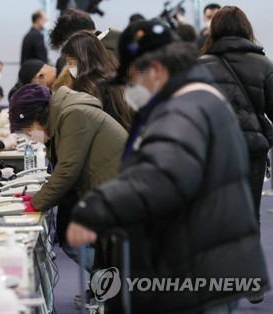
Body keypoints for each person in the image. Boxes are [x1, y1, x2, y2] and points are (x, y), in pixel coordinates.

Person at [66, 20, 269, 313]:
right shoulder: (192, 96)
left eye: (133, 75)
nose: (132, 85)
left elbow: (165, 178)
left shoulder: (183, 109)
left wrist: (96, 208)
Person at [9, 83, 128, 271]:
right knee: (110, 254)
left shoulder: (73, 114)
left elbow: (67, 169)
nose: (30, 137)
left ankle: (117, 294)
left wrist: (35, 204)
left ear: (37, 117)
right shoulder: (66, 114)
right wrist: (37, 198)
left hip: (119, 189)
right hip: (109, 188)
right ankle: (111, 293)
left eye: (27, 130)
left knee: (120, 257)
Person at [200, 8, 273, 303]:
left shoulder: (200, 65)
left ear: (214, 30)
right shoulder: (264, 63)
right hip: (252, 150)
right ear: (246, 28)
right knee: (249, 215)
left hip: (213, 150)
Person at [61, 30, 132, 131]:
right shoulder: (113, 78)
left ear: (84, 59)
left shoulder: (88, 87)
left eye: (71, 62)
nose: (69, 67)